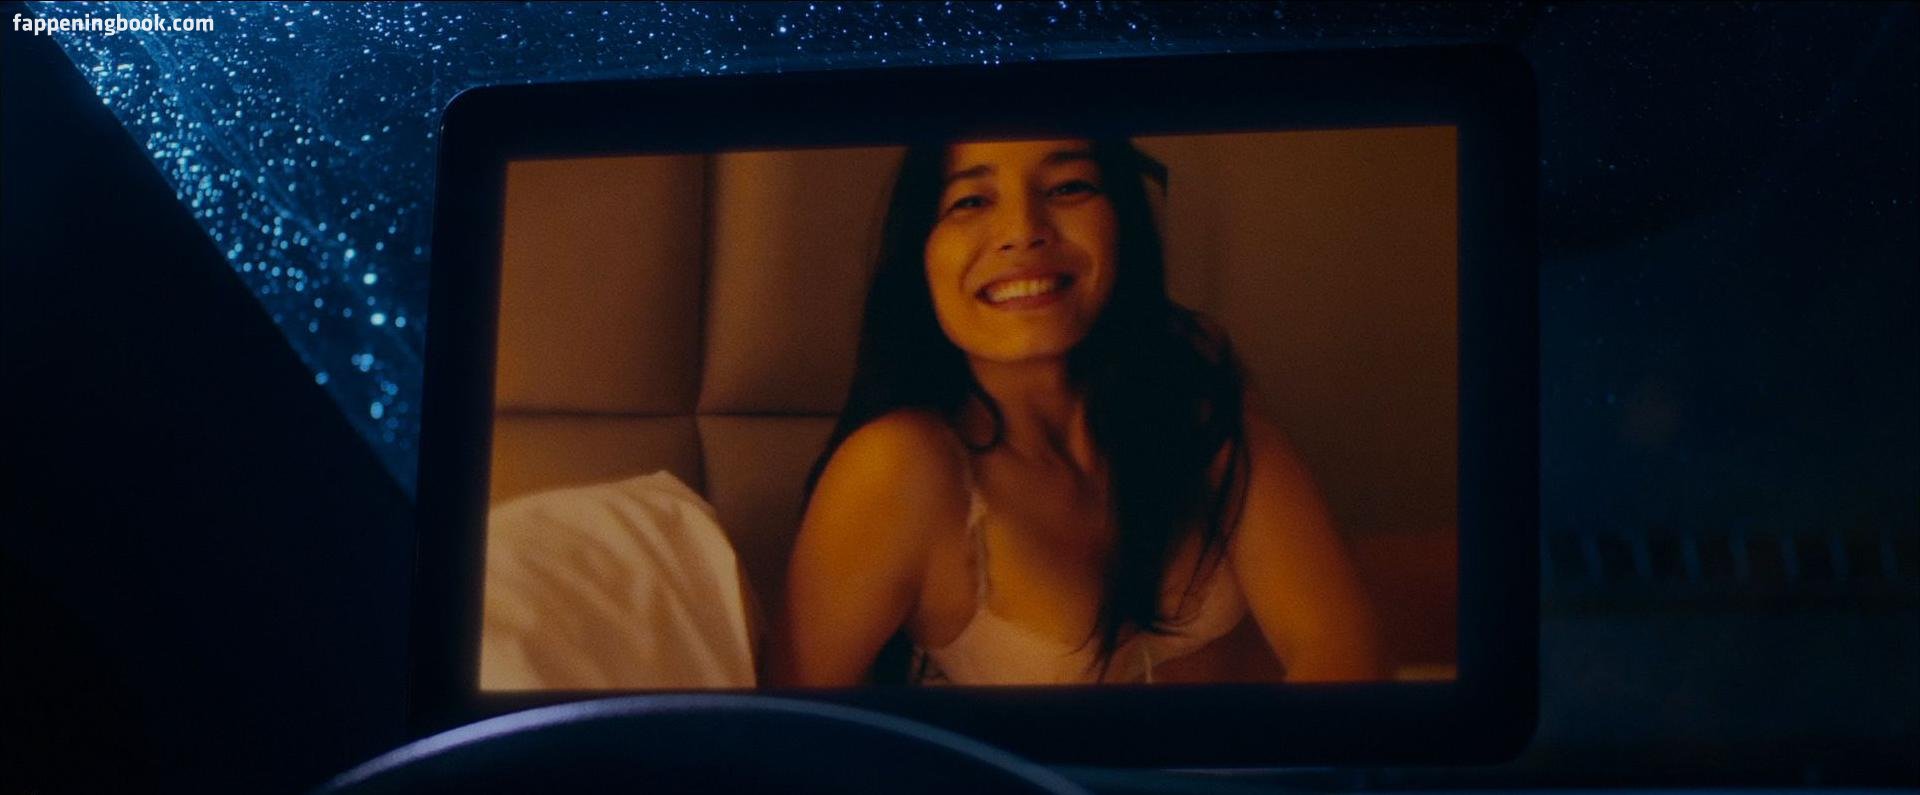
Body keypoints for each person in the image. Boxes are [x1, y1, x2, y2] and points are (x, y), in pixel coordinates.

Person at [772, 137, 1382, 686]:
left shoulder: (1194, 386)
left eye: (1068, 187)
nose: (1023, 231)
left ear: (1122, 221)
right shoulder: (897, 467)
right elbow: (788, 739)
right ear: (920, 254)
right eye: (971, 201)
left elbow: (1343, 649)